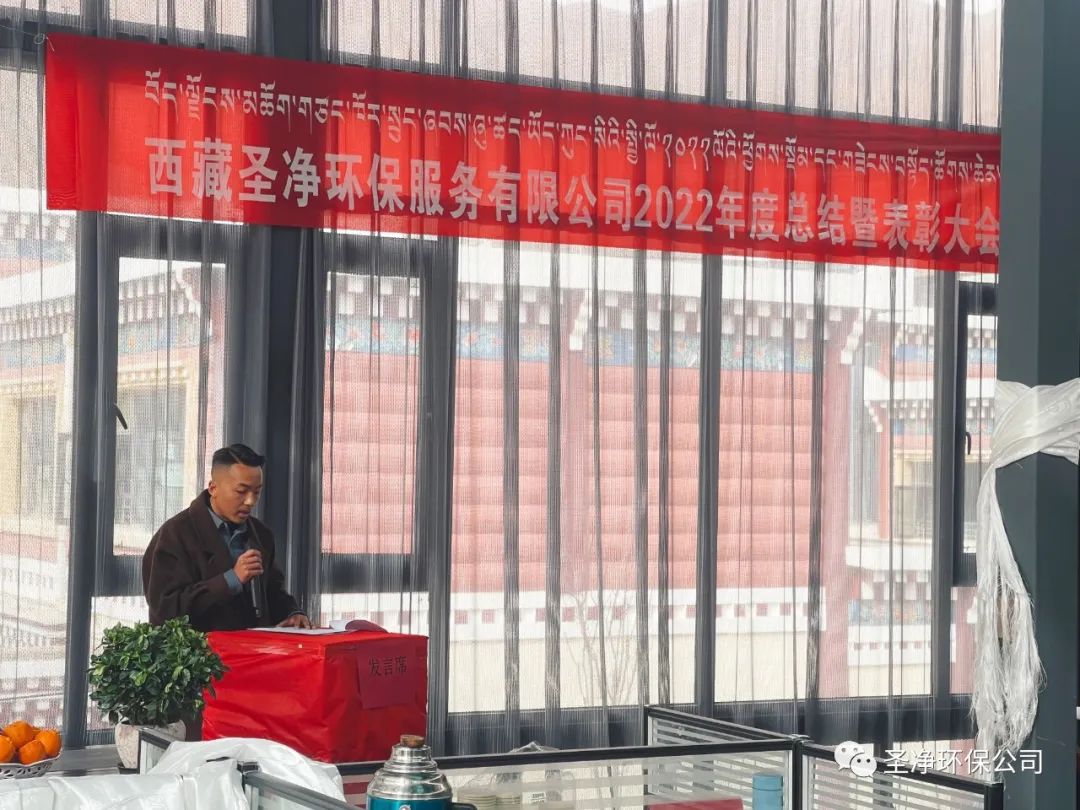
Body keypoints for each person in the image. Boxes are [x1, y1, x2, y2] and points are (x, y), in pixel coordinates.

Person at [142, 443, 312, 632]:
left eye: (257, 492)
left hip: (254, 647)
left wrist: (292, 613)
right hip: (199, 649)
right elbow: (165, 609)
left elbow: (273, 591)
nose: (250, 501)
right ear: (213, 488)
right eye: (241, 491)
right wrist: (231, 579)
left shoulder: (261, 534)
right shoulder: (175, 534)